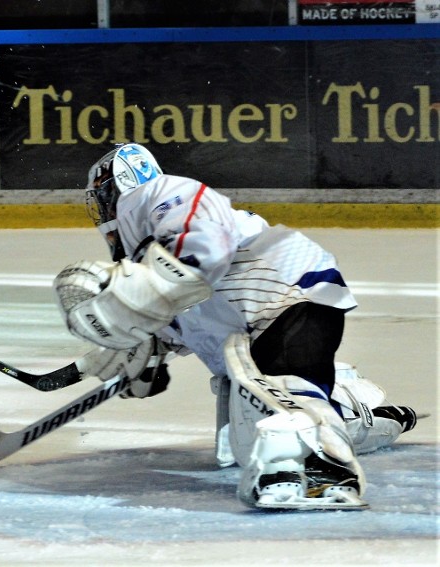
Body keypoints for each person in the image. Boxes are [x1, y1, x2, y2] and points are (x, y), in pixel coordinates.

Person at [53, 143, 418, 510]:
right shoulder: (151, 262)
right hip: (265, 324)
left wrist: (147, 300)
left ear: (114, 187)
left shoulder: (152, 197)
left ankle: (324, 476)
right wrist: (130, 352)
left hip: (284, 293)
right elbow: (172, 318)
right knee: (251, 441)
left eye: (99, 198)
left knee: (285, 404)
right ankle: (357, 410)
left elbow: (201, 240)